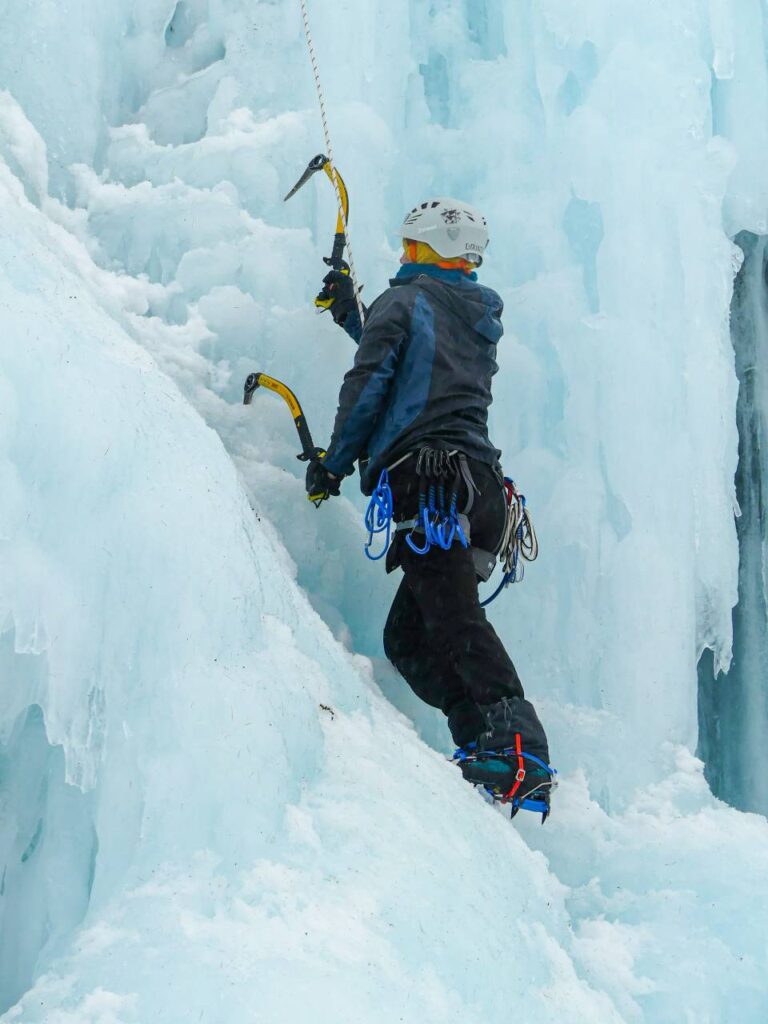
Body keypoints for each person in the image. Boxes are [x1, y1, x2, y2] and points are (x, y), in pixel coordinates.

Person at [305, 198, 553, 814]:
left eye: (408, 247)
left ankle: (520, 746)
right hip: (483, 493)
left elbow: (370, 387)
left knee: (452, 617)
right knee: (409, 638)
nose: (401, 256)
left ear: (423, 249)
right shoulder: (472, 315)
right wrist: (354, 319)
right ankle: (480, 742)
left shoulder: (404, 300)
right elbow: (418, 364)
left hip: (433, 484)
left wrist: (332, 465)